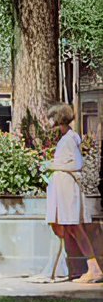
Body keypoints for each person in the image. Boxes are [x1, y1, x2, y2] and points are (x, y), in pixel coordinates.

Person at [43, 102, 102, 283]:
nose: (49, 121)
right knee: (64, 227)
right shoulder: (65, 138)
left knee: (73, 227)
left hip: (67, 189)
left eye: (52, 117)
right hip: (61, 188)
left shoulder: (69, 138)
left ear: (59, 118)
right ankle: (58, 270)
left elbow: (78, 164)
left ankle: (94, 269)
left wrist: (52, 166)